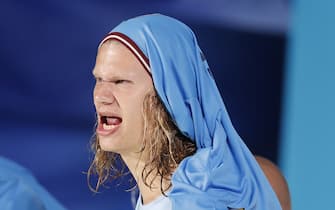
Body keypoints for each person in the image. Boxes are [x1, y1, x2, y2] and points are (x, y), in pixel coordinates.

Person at [87, 14, 283, 210]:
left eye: (120, 81)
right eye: (99, 79)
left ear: (171, 94)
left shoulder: (213, 194)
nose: (100, 96)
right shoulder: (253, 177)